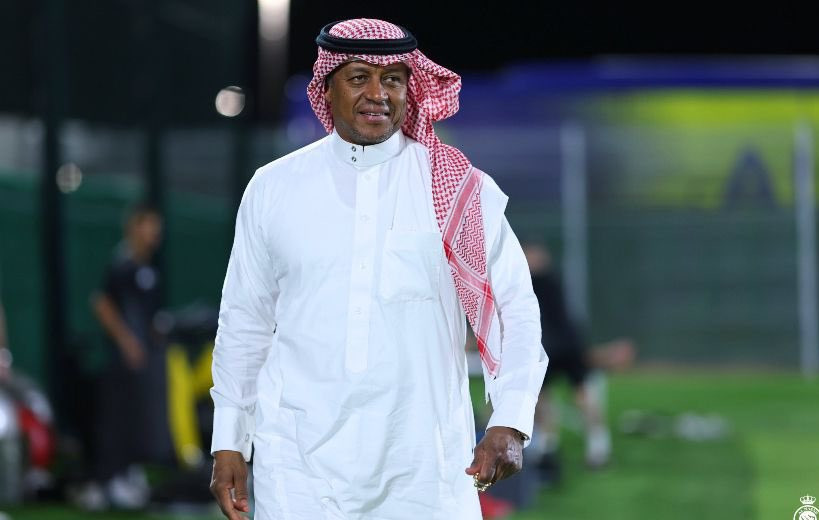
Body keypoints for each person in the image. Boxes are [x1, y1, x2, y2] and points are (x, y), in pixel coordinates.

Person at [209, 19, 548, 520]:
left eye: (392, 79)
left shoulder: (460, 191)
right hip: (299, 469)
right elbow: (245, 321)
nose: (377, 94)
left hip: (425, 468)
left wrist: (511, 420)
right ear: (327, 87)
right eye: (358, 77)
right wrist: (229, 440)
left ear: (411, 88)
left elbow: (515, 308)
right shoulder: (274, 187)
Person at [523, 242, 634, 475]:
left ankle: (569, 449)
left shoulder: (532, 282)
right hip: (562, 343)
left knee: (566, 396)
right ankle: (563, 449)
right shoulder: (550, 281)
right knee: (552, 397)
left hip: (551, 346)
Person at [87, 202, 167, 510]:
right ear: (134, 226)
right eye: (149, 226)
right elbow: (101, 304)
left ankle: (129, 474)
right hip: (121, 362)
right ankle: (108, 480)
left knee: (138, 418)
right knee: (115, 420)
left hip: (144, 362)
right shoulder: (121, 264)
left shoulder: (150, 268)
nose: (155, 233)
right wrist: (127, 342)